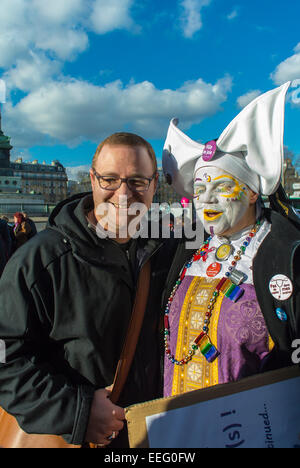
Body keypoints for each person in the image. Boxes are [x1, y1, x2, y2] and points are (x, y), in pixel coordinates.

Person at [0, 132, 177, 447]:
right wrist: (76, 411)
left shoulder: (171, 250)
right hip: (76, 437)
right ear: (92, 180)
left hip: (155, 432)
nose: (123, 194)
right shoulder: (40, 261)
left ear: (154, 185)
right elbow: (6, 358)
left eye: (137, 181)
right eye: (110, 179)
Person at [161, 81, 300, 399]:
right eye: (199, 189)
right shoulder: (187, 250)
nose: (206, 200)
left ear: (252, 192)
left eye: (220, 187)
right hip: (179, 430)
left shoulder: (286, 255)